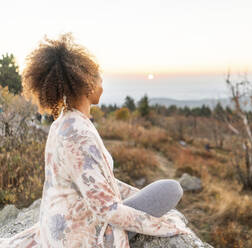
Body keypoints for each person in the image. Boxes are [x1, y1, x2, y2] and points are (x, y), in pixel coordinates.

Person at [0, 33, 191, 248]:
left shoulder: (65, 123)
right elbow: (106, 209)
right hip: (82, 234)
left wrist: (137, 194)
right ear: (88, 84)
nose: (102, 85)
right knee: (172, 189)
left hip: (67, 217)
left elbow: (98, 182)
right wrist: (165, 226)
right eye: (100, 79)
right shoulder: (79, 135)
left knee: (161, 191)